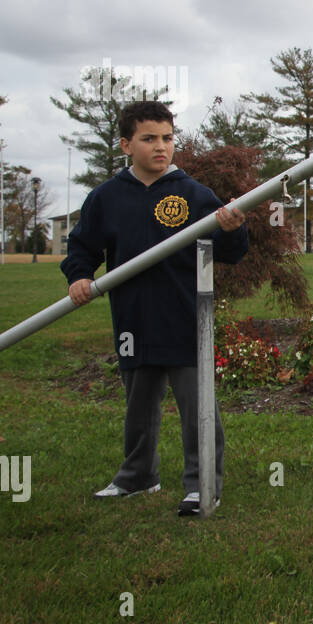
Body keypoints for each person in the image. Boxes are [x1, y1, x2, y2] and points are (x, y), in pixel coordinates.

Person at [62, 99, 249, 516]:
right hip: (132, 319)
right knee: (138, 405)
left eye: (167, 138)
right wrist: (78, 275)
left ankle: (203, 485)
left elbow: (231, 252)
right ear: (127, 144)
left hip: (184, 319)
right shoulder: (106, 198)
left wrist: (235, 231)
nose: (160, 147)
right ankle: (138, 477)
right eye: (149, 139)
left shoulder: (193, 194)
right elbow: (82, 246)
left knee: (198, 408)